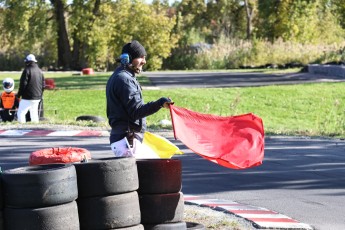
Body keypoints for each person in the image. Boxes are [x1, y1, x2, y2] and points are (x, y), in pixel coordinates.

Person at [106, 40, 173, 157]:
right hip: (127, 141)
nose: (144, 61)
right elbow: (136, 111)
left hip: (126, 139)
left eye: (144, 57)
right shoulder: (124, 79)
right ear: (127, 58)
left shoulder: (123, 76)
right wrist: (160, 103)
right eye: (141, 57)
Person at [17, 54, 45, 123]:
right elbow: (43, 85)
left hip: (27, 97)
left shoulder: (26, 70)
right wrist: (40, 95)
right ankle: (35, 129)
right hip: (37, 97)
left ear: (28, 62)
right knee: (34, 113)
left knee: (21, 113)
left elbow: (23, 84)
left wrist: (19, 94)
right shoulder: (40, 71)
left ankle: (21, 128)